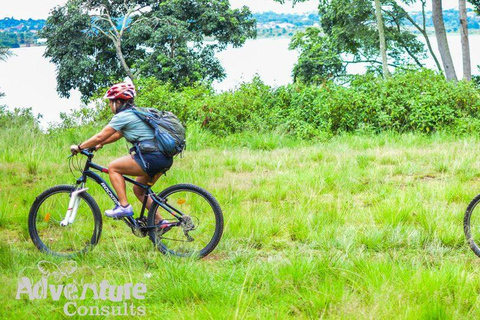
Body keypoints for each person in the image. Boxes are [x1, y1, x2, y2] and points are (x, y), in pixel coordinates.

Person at [70, 83, 173, 225]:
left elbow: (100, 136)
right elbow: (117, 134)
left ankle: (124, 206)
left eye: (110, 102)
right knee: (139, 190)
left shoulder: (123, 116)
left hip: (152, 157)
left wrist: (80, 147)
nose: (109, 105)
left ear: (118, 102)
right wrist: (100, 145)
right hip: (163, 158)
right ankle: (161, 223)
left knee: (113, 167)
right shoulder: (135, 113)